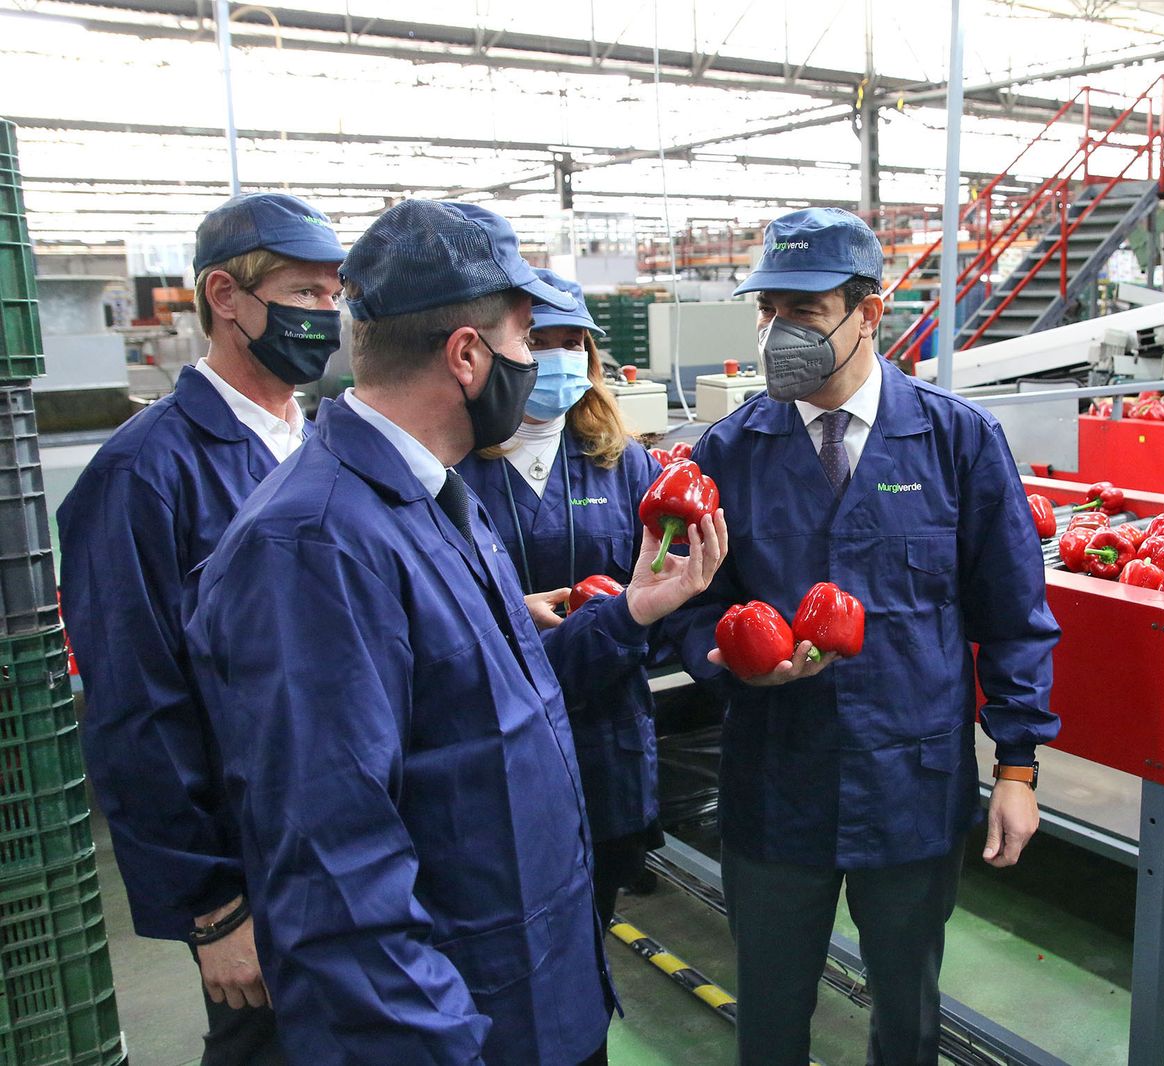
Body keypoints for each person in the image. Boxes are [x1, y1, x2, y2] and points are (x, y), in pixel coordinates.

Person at [185, 199, 727, 1064]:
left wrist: (633, 610)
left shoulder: (434, 499)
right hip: (463, 1024)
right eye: (524, 341)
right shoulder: (315, 547)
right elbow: (338, 869)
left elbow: (485, 700)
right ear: (468, 355)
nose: (538, 365)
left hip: (535, 994)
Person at [665, 207, 1062, 1066]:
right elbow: (691, 605)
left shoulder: (958, 443)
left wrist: (1019, 768)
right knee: (769, 1017)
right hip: (776, 786)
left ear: (870, 313)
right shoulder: (730, 452)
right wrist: (726, 660)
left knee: (908, 1017)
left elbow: (1013, 616)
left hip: (909, 788)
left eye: (803, 313)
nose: (778, 335)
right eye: (767, 310)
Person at [57, 192, 346, 1065]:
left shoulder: (324, 443)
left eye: (335, 296)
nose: (325, 316)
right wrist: (212, 908)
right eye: (304, 292)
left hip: (346, 832)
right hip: (253, 861)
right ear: (226, 296)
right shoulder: (146, 473)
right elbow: (135, 708)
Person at [458, 269, 664, 925]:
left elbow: (658, 588)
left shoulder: (622, 460)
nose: (561, 359)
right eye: (541, 339)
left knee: (591, 918)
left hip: (602, 731)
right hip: (494, 732)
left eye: (575, 343)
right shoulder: (453, 464)